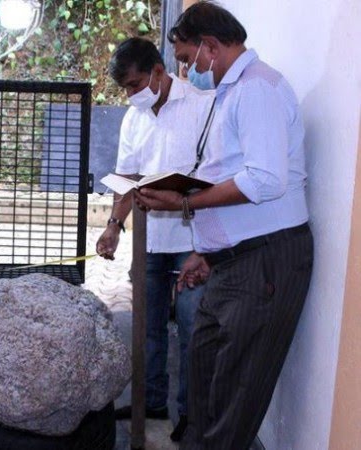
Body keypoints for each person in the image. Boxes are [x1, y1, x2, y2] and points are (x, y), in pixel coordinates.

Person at [135, 2, 314, 449]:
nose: (184, 69)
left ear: (210, 47)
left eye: (185, 58)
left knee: (233, 401)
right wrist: (209, 251)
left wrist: (186, 200)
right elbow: (231, 174)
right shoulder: (231, 91)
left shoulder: (257, 89)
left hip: (265, 264)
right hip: (236, 262)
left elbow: (264, 180)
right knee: (206, 386)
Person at [95, 37, 214, 442]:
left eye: (134, 85)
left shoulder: (202, 107)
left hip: (191, 239)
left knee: (191, 325)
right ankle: (151, 401)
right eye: (125, 89)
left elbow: (215, 177)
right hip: (149, 239)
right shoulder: (135, 118)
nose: (131, 95)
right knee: (147, 328)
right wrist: (114, 225)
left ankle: (190, 415)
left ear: (159, 72)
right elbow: (126, 178)